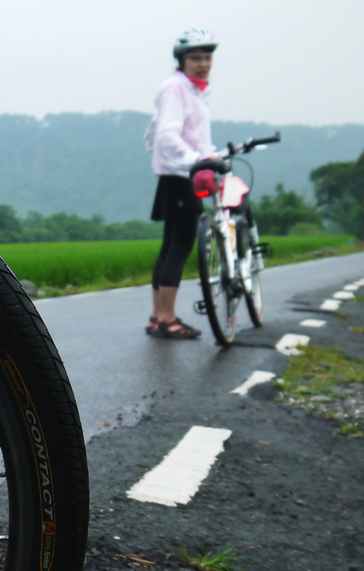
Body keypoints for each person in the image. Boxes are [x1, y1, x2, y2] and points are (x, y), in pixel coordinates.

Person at [143, 27, 220, 339]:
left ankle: (157, 316)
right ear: (182, 60)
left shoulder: (192, 90)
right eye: (195, 57)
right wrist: (196, 161)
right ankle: (167, 317)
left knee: (170, 246)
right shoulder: (176, 88)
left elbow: (179, 134)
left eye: (206, 57)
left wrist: (210, 155)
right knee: (181, 245)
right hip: (182, 176)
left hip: (180, 174)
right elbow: (166, 134)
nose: (202, 63)